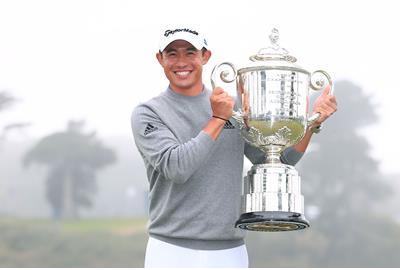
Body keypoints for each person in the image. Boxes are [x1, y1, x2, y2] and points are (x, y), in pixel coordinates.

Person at [131, 27, 337, 268]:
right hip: (170, 250)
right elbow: (177, 168)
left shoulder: (233, 109)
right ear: (160, 59)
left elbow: (277, 161)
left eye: (190, 52)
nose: (181, 62)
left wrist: (312, 124)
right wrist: (218, 119)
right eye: (172, 54)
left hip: (230, 251)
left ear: (205, 57)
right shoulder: (149, 113)